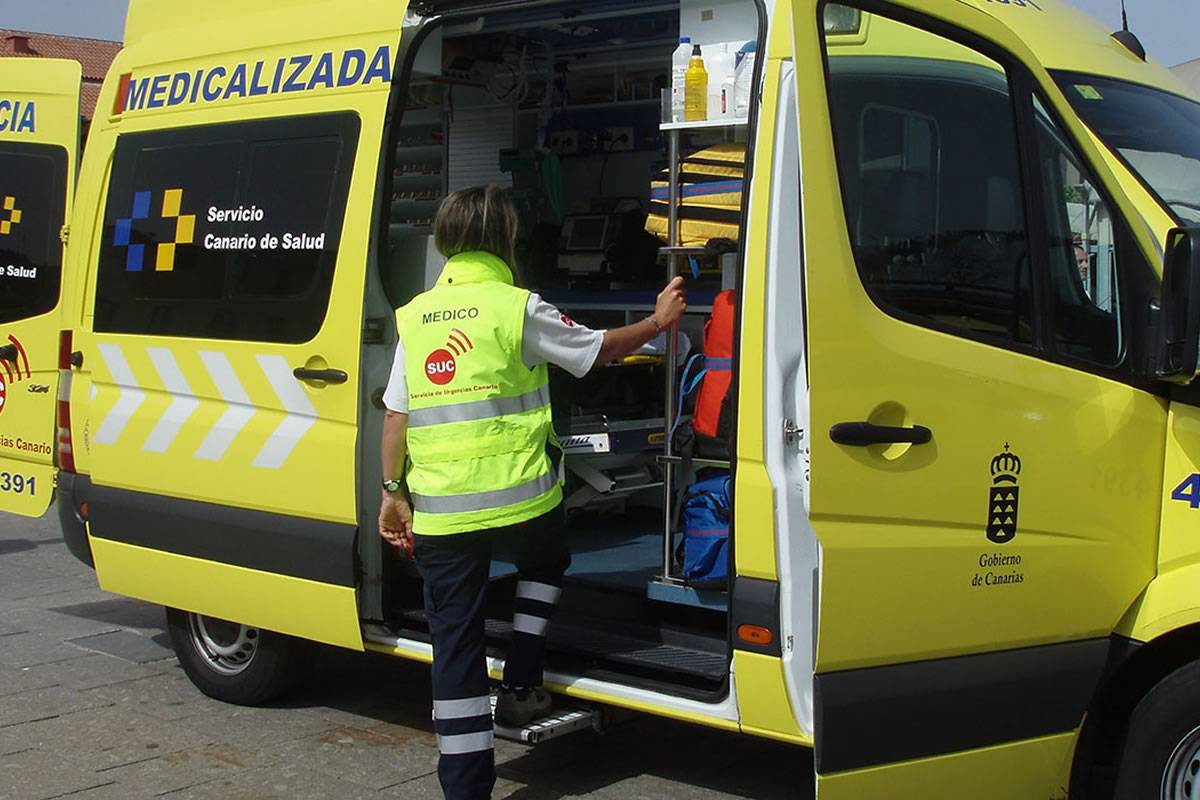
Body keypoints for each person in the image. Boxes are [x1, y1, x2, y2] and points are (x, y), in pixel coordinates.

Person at [377, 184, 687, 800]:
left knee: (455, 646)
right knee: (547, 559)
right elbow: (598, 350)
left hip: (440, 514)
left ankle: (465, 789)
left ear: (445, 241)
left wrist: (393, 494)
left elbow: (395, 418)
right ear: (506, 239)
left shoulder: (414, 317)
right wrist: (658, 320)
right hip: (521, 500)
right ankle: (522, 677)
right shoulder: (517, 307)